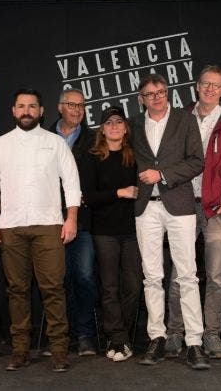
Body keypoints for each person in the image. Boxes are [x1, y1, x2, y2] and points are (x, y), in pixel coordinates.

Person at [0, 88, 79, 373]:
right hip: (10, 227)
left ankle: (59, 350)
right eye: (21, 106)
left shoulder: (56, 143)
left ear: (41, 111)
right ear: (13, 111)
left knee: (53, 289)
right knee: (17, 290)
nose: (26, 111)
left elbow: (71, 183)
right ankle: (20, 349)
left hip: (49, 225)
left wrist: (71, 219)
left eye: (32, 106)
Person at [166, 65, 221, 359]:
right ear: (197, 86)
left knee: (216, 276)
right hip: (182, 205)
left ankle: (212, 333)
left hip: (217, 208)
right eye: (205, 84)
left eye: (216, 85)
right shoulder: (179, 117)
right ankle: (175, 332)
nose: (210, 89)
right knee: (181, 273)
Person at [130, 73, 209, 370]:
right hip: (146, 208)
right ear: (141, 98)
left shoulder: (185, 120)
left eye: (160, 92)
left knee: (187, 275)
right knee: (151, 276)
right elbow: (127, 161)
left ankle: (194, 342)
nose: (156, 97)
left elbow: (197, 161)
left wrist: (161, 175)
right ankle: (157, 337)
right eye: (150, 94)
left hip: (179, 204)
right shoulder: (134, 125)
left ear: (168, 92)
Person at [79, 106, 142, 362]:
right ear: (102, 130)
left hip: (133, 231)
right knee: (109, 288)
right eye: (109, 123)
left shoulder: (136, 156)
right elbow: (88, 198)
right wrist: (119, 192)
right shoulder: (92, 157)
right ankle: (116, 337)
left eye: (119, 122)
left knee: (134, 286)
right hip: (104, 232)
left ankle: (121, 337)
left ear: (126, 128)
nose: (114, 126)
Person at [46, 88, 97, 355]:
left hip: (83, 220)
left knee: (85, 278)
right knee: (54, 281)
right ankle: (58, 337)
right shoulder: (41, 136)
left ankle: (85, 335)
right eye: (71, 105)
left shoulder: (94, 138)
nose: (77, 110)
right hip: (47, 219)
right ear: (59, 107)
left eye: (81, 105)